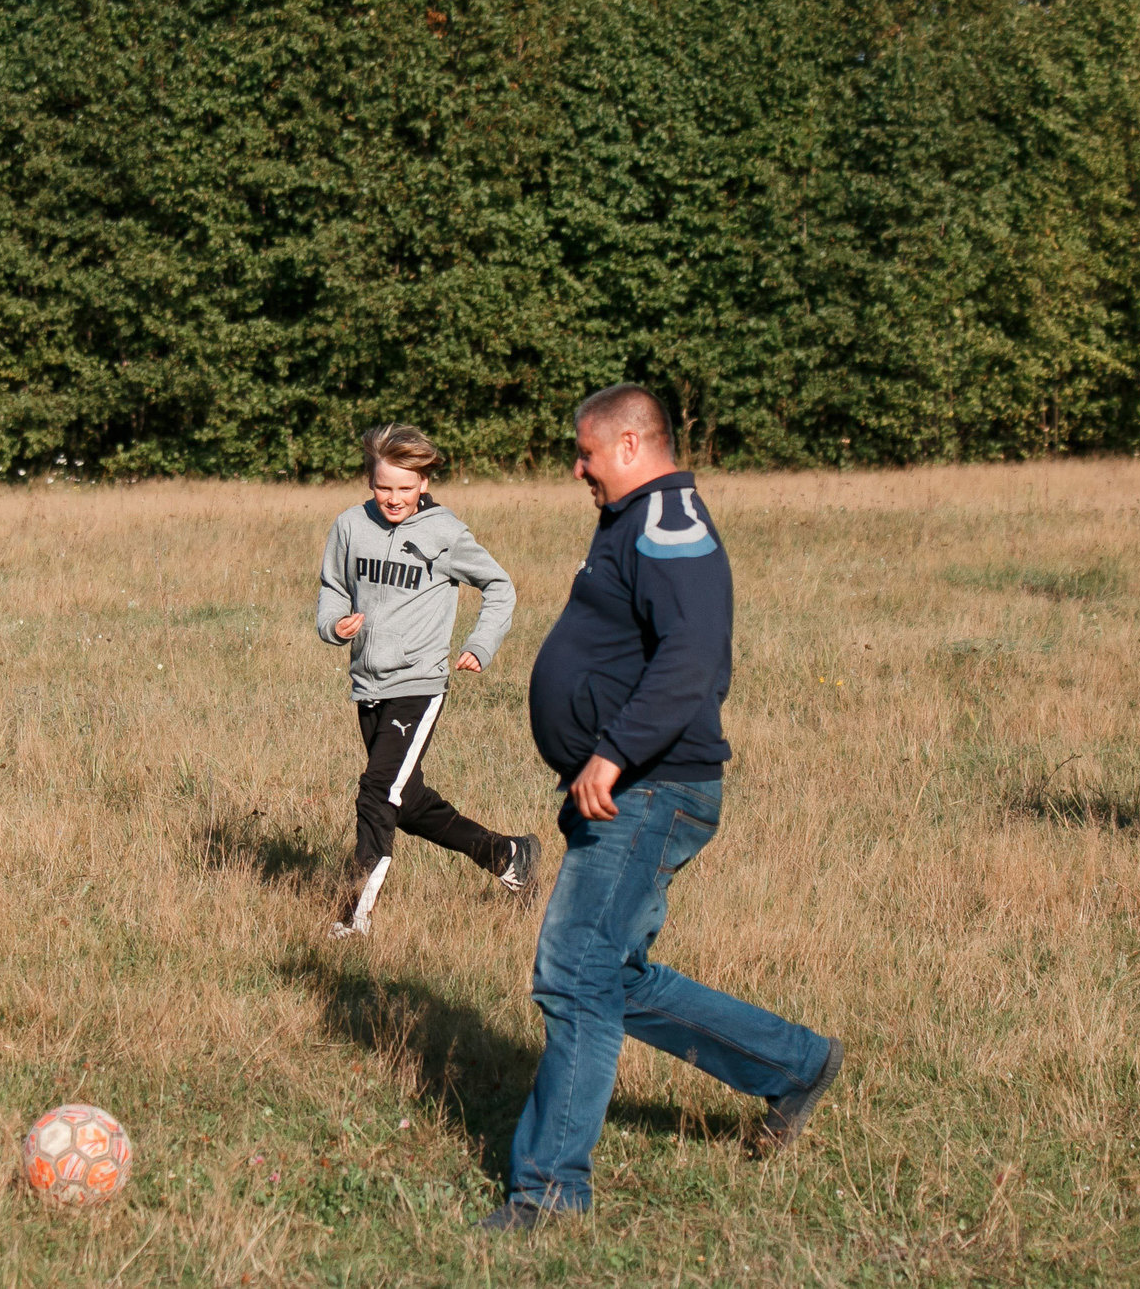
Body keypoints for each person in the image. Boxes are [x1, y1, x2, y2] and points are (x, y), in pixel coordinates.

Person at [480, 385, 841, 1232]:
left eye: (588, 452)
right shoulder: (635, 514)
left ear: (634, 444)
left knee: (573, 974)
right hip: (629, 786)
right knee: (610, 976)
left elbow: (693, 656)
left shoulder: (670, 521)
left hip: (652, 786)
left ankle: (550, 1192)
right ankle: (795, 1063)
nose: (579, 466)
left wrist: (612, 750)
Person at [314, 423, 535, 940]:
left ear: (425, 481)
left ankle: (354, 916)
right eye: (384, 486)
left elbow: (499, 587)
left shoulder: (444, 533)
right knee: (405, 802)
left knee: (375, 792)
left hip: (419, 683)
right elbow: (333, 587)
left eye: (406, 488)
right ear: (369, 481)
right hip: (368, 683)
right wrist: (334, 624)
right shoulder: (349, 526)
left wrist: (480, 645)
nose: (394, 498)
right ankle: (509, 854)